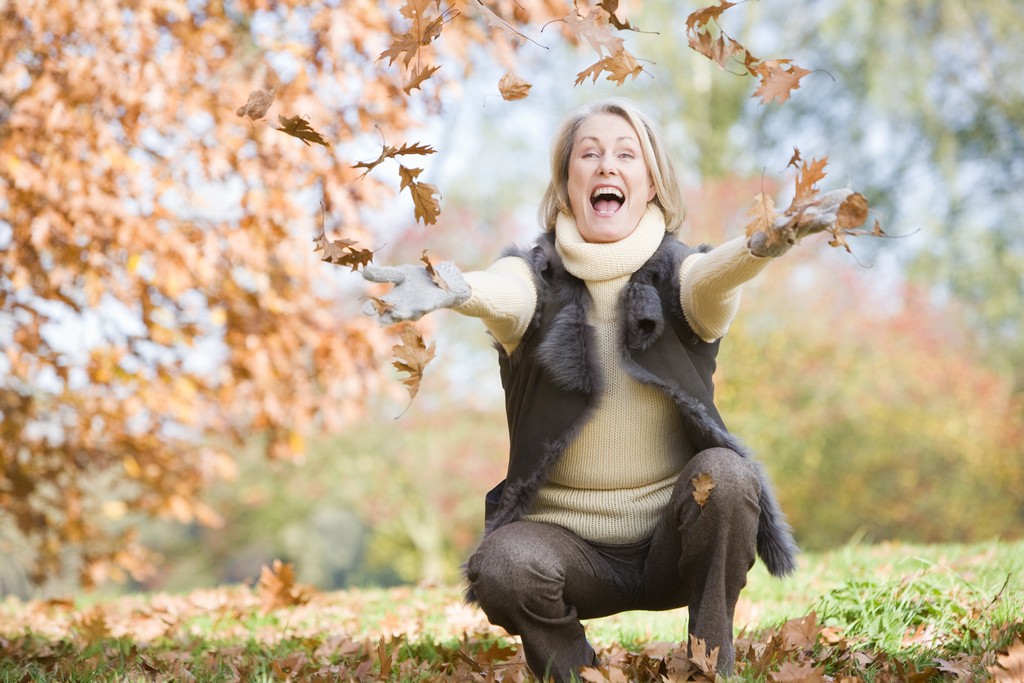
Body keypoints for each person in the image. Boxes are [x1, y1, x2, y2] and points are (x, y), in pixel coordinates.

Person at [362, 98, 851, 682]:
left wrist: (760, 246)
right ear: (567, 184)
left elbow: (711, 278)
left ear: (651, 183)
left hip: (675, 539)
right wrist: (453, 287)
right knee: (503, 565)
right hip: (570, 553)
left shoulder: (680, 277)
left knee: (729, 476)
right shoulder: (535, 276)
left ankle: (707, 669)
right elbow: (504, 293)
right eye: (588, 155)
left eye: (625, 154)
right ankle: (575, 674)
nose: (605, 166)